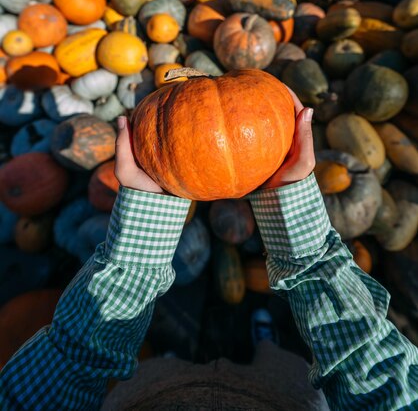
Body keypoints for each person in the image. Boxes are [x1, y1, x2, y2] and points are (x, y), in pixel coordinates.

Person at [0, 91, 417, 411]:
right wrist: (298, 229)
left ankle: (170, 358)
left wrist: (141, 239)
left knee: (154, 370)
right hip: (287, 393)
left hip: (143, 393)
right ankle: (263, 344)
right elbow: (374, 370)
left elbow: (62, 373)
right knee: (279, 362)